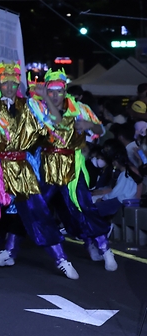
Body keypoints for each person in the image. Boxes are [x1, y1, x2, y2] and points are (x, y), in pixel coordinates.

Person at [0, 61, 79, 279]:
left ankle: (61, 259)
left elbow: (56, 121)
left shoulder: (31, 106)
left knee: (38, 213)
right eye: (4, 82)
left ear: (18, 82)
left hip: (21, 167)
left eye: (13, 82)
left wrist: (45, 97)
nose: (9, 86)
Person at [36, 68, 116, 271]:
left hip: (72, 165)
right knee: (36, 207)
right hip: (46, 166)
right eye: (51, 91)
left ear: (65, 91)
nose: (55, 95)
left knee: (83, 205)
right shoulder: (37, 108)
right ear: (46, 90)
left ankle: (104, 247)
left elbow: (100, 130)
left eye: (59, 91)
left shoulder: (79, 108)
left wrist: (90, 124)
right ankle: (8, 248)